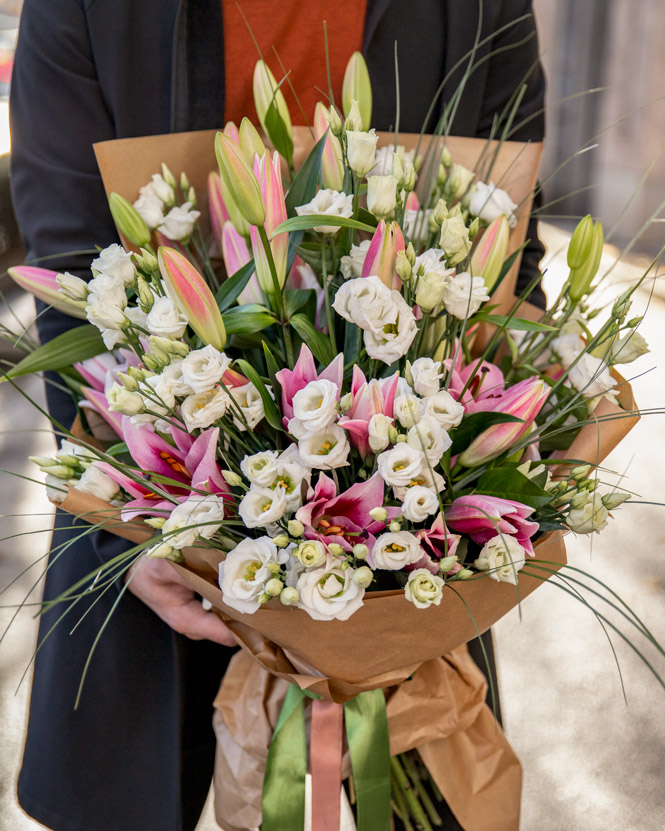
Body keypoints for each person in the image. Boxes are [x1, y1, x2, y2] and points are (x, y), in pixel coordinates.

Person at [9, 1, 546, 829]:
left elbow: (507, 259)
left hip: (412, 548)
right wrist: (140, 527)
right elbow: (76, 273)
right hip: (154, 531)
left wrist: (488, 506)